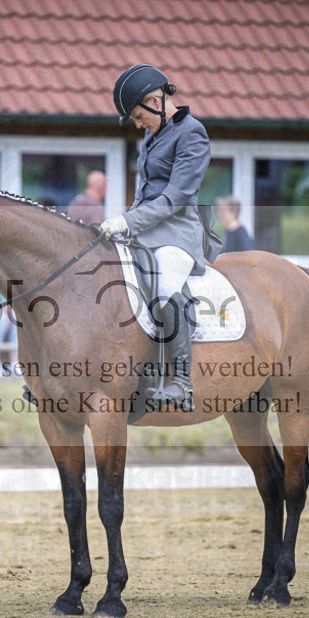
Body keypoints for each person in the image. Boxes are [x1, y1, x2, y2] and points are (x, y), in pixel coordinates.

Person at [100, 64, 222, 411]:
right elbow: (145, 194)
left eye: (139, 117)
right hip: (145, 231)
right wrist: (124, 225)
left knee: (166, 286)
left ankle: (181, 382)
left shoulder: (192, 133)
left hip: (177, 232)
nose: (138, 125)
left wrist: (127, 221)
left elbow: (174, 198)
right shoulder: (153, 134)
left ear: (155, 102)